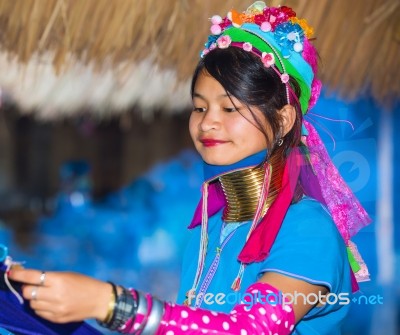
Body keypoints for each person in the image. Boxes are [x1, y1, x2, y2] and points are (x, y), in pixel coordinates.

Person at [8, 1, 371, 334]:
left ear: (285, 118)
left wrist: (109, 302)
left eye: (229, 109)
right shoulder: (212, 226)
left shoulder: (309, 229)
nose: (207, 123)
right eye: (199, 108)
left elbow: (251, 329)